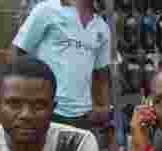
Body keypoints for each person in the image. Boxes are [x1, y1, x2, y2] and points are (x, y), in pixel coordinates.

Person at [11, 0, 109, 134]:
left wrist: (103, 109)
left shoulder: (102, 27)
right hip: (46, 111)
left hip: (83, 118)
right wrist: (20, 100)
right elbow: (16, 53)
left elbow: (101, 75)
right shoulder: (46, 10)